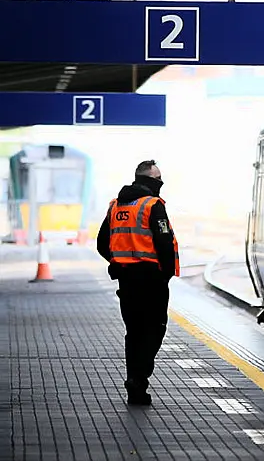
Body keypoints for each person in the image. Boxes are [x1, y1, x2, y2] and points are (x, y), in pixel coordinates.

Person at [96, 160, 179, 406]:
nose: (161, 184)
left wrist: (119, 262)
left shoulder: (116, 206)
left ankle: (135, 382)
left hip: (126, 280)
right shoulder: (153, 205)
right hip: (152, 280)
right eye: (159, 179)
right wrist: (164, 274)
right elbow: (164, 242)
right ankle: (139, 378)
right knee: (154, 329)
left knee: (134, 332)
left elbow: (102, 242)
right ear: (151, 182)